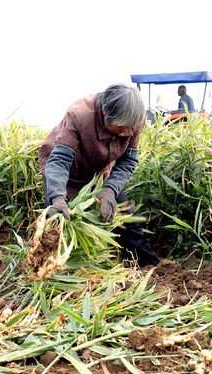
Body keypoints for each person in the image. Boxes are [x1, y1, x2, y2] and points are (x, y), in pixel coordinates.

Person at [38, 84, 160, 266]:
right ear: (105, 114)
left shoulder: (133, 121)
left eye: (130, 129)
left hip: (98, 171)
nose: (127, 133)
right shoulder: (79, 115)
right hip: (67, 173)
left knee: (124, 213)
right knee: (60, 220)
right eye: (121, 128)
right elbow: (60, 161)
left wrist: (110, 190)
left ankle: (142, 261)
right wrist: (57, 197)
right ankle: (51, 267)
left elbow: (128, 161)